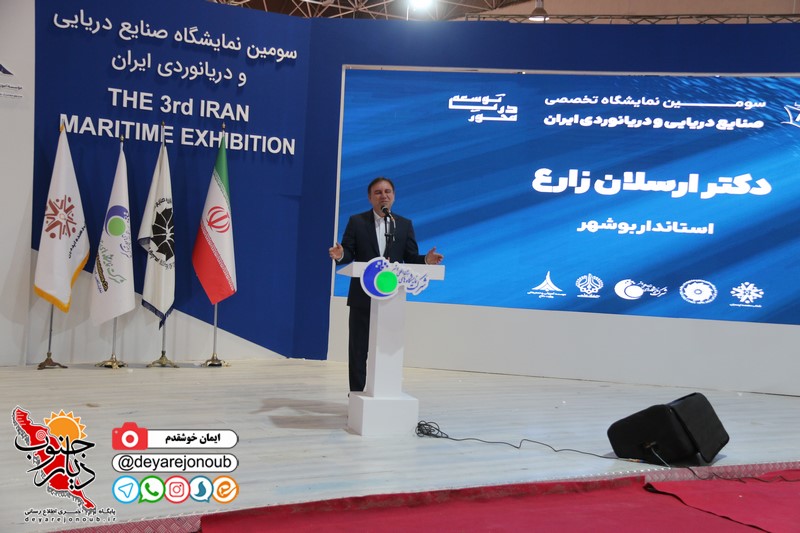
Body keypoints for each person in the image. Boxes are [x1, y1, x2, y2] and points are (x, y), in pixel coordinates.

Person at [329, 177, 443, 393]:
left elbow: (410, 257)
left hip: (391, 300)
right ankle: (357, 395)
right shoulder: (357, 222)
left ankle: (383, 393)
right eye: (378, 192)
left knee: (386, 348)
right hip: (362, 297)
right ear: (370, 197)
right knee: (358, 349)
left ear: (394, 196)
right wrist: (341, 254)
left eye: (388, 191)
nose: (384, 196)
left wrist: (426, 261)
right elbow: (349, 252)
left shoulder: (404, 225)